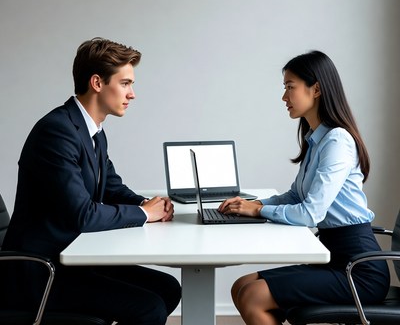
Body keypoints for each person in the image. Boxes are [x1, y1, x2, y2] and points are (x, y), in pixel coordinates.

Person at [3, 37, 181, 325]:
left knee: (167, 288)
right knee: (148, 308)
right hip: (41, 271)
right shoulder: (57, 132)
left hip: (73, 258)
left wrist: (147, 205)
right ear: (97, 83)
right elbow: (82, 215)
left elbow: (112, 189)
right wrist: (145, 214)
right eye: (125, 83)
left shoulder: (92, 131)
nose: (132, 94)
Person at [218, 50, 390, 325]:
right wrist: (248, 205)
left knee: (253, 296)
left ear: (317, 89)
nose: (284, 97)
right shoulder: (317, 139)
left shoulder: (337, 141)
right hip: (333, 257)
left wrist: (260, 210)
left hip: (358, 269)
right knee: (241, 287)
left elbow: (311, 213)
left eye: (290, 87)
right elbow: (295, 196)